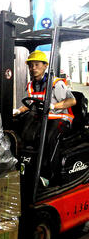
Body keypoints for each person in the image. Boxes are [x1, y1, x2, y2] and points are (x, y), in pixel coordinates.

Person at [14, 50, 76, 185]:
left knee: (48, 137)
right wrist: (17, 111)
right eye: (31, 65)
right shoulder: (31, 84)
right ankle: (25, 167)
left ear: (45, 66)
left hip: (60, 118)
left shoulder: (55, 83)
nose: (33, 68)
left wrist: (54, 106)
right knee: (22, 132)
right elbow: (31, 104)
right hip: (42, 118)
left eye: (37, 65)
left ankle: (50, 175)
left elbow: (72, 101)